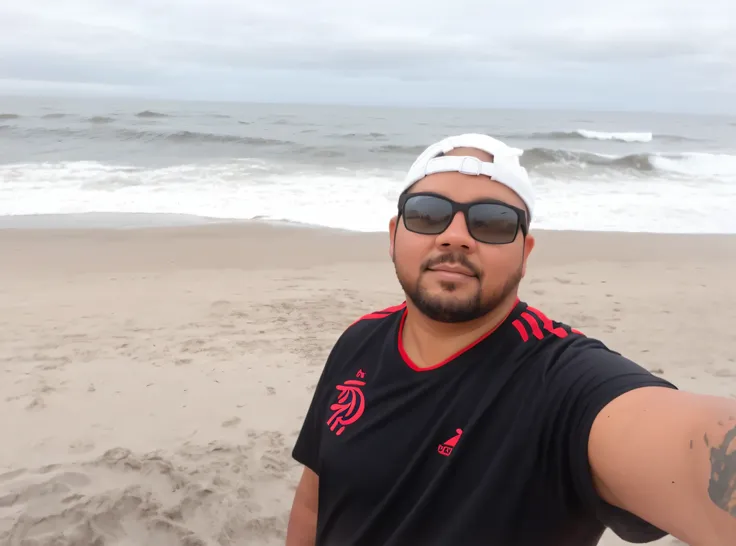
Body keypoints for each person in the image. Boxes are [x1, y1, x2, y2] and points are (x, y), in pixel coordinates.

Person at [285, 133, 736, 546]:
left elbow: (681, 446)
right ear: (393, 235)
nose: (455, 237)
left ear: (526, 252)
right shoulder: (358, 340)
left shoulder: (559, 381)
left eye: (493, 222)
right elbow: (314, 500)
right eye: (427, 214)